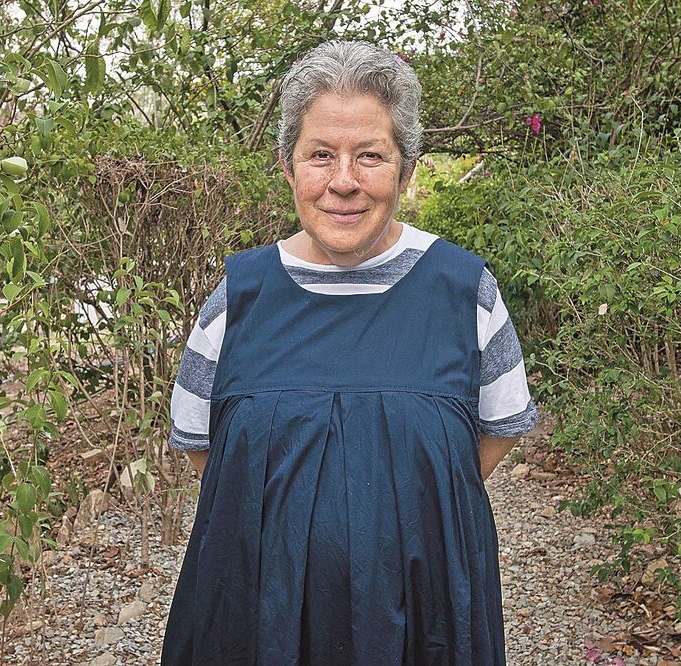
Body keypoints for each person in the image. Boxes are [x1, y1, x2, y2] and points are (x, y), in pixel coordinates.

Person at [160, 39, 539, 666]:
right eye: (320, 155)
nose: (343, 182)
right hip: (263, 611)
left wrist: (399, 512)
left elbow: (494, 435)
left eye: (370, 156)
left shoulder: (464, 291)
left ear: (406, 169)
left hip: (424, 613)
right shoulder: (239, 296)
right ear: (288, 167)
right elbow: (209, 451)